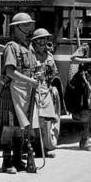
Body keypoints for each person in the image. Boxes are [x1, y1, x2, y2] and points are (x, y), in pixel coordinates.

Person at [0, 12, 38, 174]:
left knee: (20, 128)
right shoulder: (11, 47)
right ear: (17, 28)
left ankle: (18, 159)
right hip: (11, 92)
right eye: (25, 24)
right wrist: (30, 81)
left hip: (24, 92)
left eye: (29, 24)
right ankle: (6, 162)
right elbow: (10, 72)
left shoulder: (27, 47)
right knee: (9, 128)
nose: (28, 27)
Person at [30, 28, 60, 159]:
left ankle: (43, 148)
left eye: (44, 39)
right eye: (39, 40)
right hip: (33, 90)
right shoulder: (30, 55)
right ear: (34, 42)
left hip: (45, 90)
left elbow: (54, 73)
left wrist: (50, 69)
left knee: (44, 121)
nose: (42, 42)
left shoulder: (49, 56)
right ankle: (33, 148)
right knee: (33, 121)